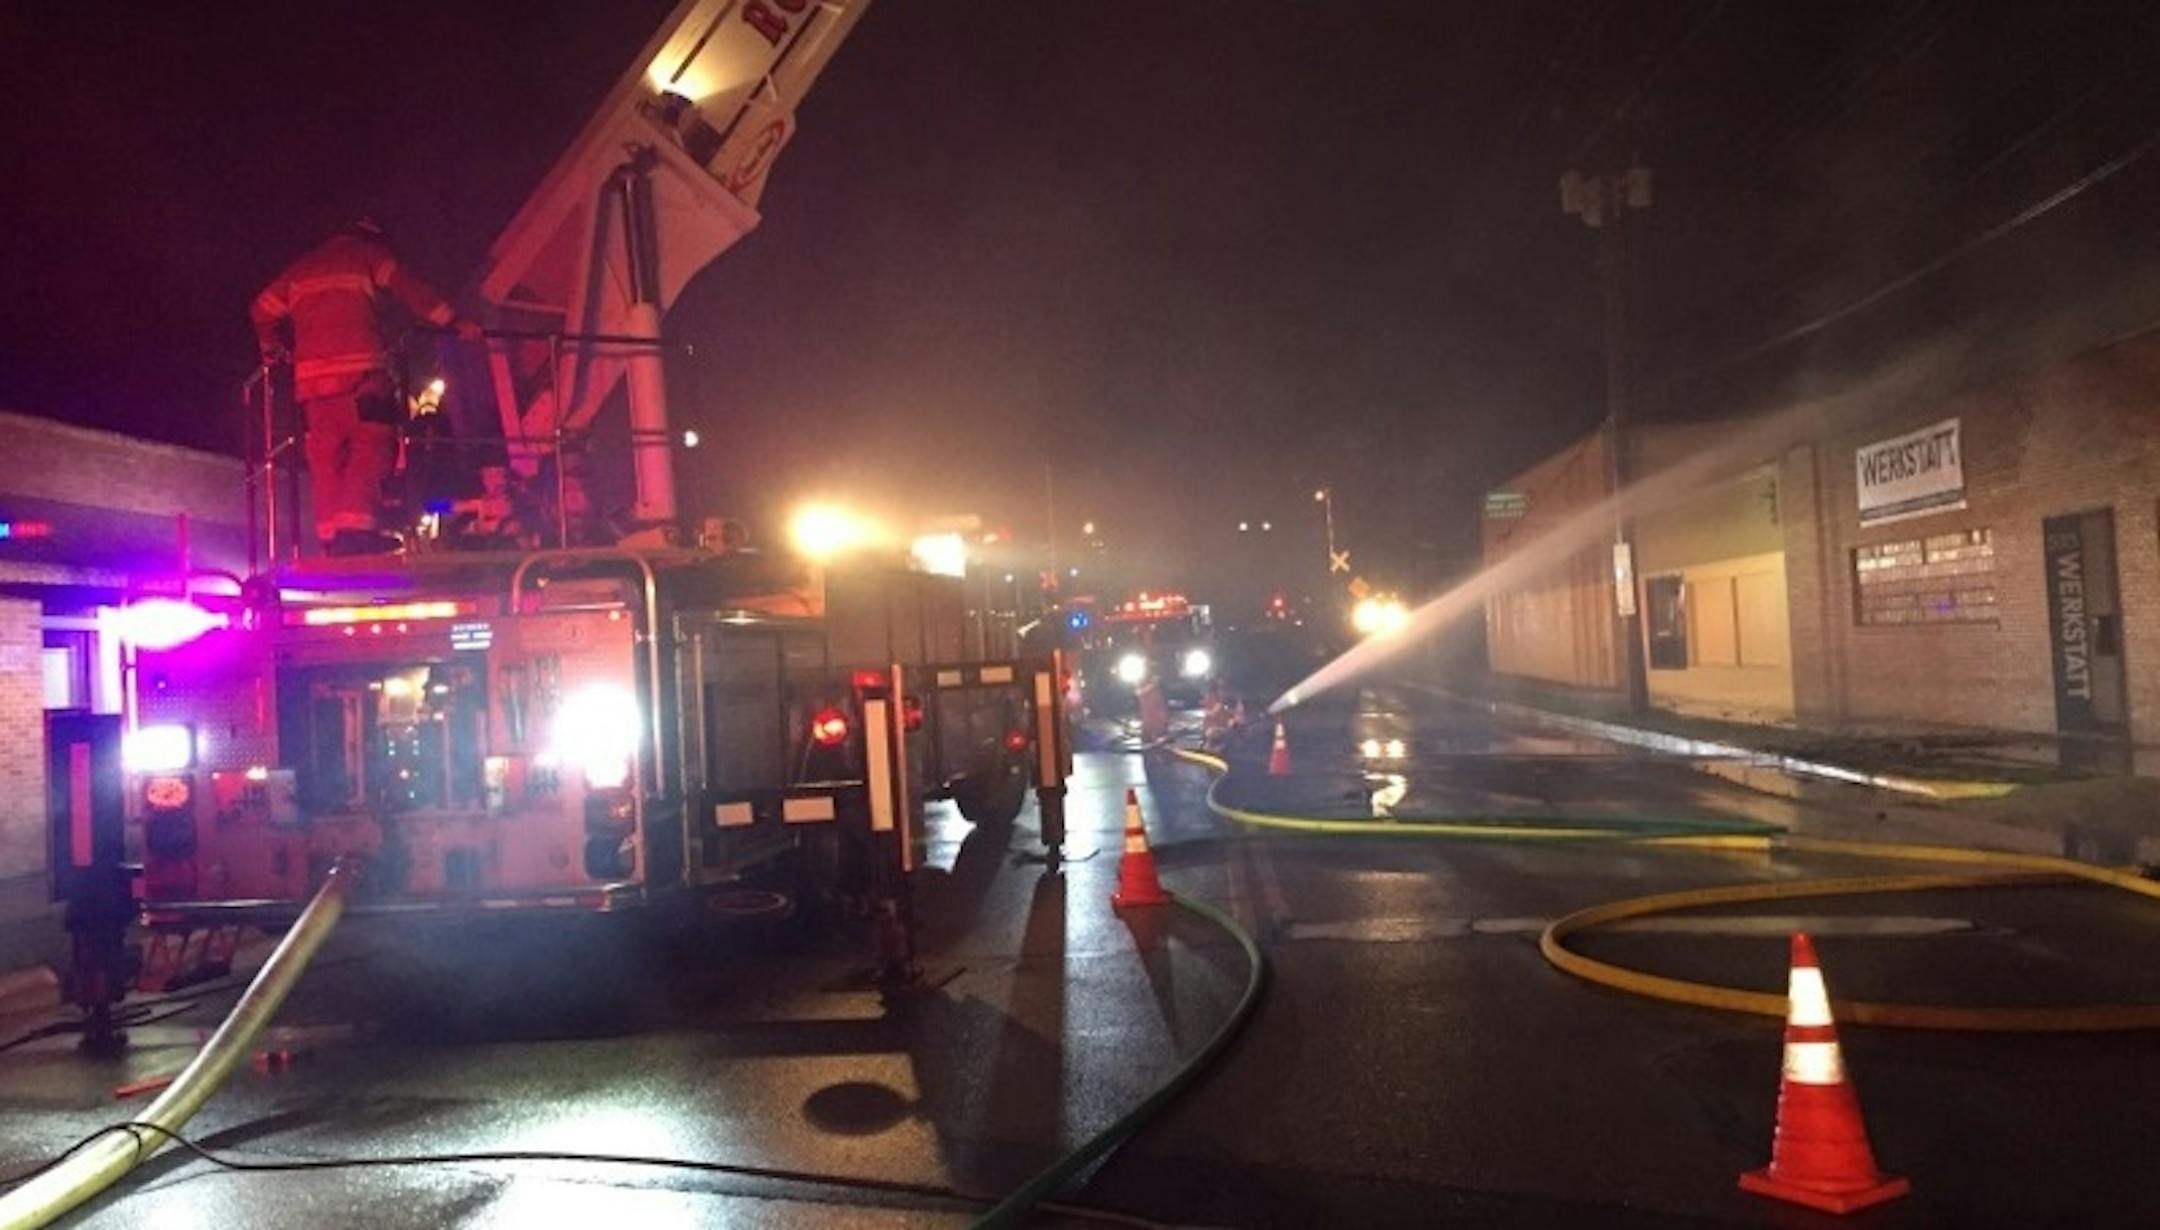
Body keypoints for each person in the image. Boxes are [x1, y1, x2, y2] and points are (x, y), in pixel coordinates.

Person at [251, 218, 480, 556]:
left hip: (312, 387)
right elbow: (412, 290)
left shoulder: (303, 268)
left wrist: (271, 345)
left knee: (327, 457)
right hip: (361, 377)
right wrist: (456, 322)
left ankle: (330, 535)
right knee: (373, 446)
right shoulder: (367, 256)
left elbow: (261, 309)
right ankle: (356, 531)